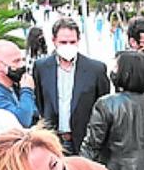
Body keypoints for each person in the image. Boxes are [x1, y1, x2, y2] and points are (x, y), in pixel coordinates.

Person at [33, 18, 111, 155]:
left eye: (72, 42)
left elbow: (103, 106)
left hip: (85, 144)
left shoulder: (95, 69)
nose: (68, 46)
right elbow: (40, 101)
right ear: (54, 41)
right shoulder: (41, 67)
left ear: (78, 41)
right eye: (63, 42)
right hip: (52, 141)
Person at [0, 39, 38, 128]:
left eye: (23, 60)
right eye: (16, 61)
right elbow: (22, 121)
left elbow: (35, 113)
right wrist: (27, 90)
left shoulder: (14, 86)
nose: (22, 65)